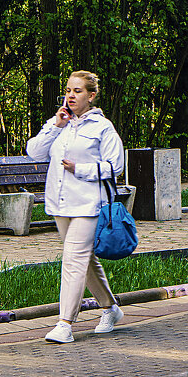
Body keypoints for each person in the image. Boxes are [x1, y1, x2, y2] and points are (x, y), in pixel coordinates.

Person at [25, 70, 126, 344]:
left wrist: (79, 169)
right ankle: (111, 308)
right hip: (60, 204)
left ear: (91, 96)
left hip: (89, 203)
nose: (71, 95)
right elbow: (34, 152)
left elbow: (115, 166)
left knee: (73, 258)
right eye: (68, 90)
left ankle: (65, 324)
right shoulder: (61, 123)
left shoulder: (102, 127)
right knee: (85, 260)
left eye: (78, 91)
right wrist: (55, 126)